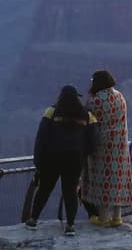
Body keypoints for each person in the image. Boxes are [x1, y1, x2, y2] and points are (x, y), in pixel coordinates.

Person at [27, 85, 97, 235]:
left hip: (51, 158)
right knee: (70, 192)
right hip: (74, 160)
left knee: (44, 189)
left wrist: (38, 161)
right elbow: (92, 142)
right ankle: (70, 226)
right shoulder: (87, 116)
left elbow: (41, 138)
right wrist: (82, 154)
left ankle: (33, 219)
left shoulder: (51, 112)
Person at [84, 70, 131, 228]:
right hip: (120, 145)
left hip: (102, 146)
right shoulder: (120, 96)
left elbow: (87, 118)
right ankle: (117, 217)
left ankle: (104, 218)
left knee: (103, 179)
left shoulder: (96, 101)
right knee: (117, 178)